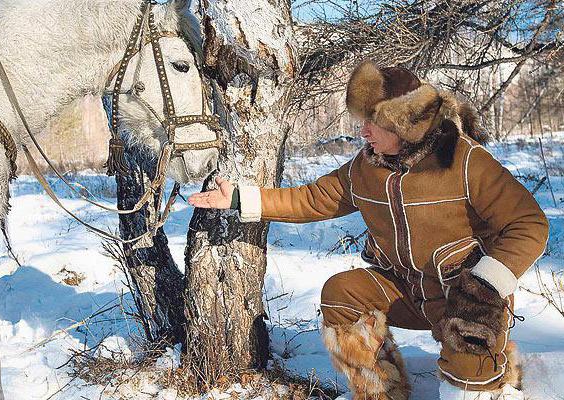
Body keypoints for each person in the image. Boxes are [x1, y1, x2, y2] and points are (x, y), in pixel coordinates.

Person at [187, 60, 549, 400]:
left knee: (472, 382)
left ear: (401, 124)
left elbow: (529, 224)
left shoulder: (464, 159)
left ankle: (491, 375)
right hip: (405, 292)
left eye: (371, 122)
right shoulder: (364, 168)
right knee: (342, 292)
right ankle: (381, 391)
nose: (362, 131)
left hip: (465, 299)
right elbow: (314, 198)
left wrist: (485, 285)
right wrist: (238, 198)